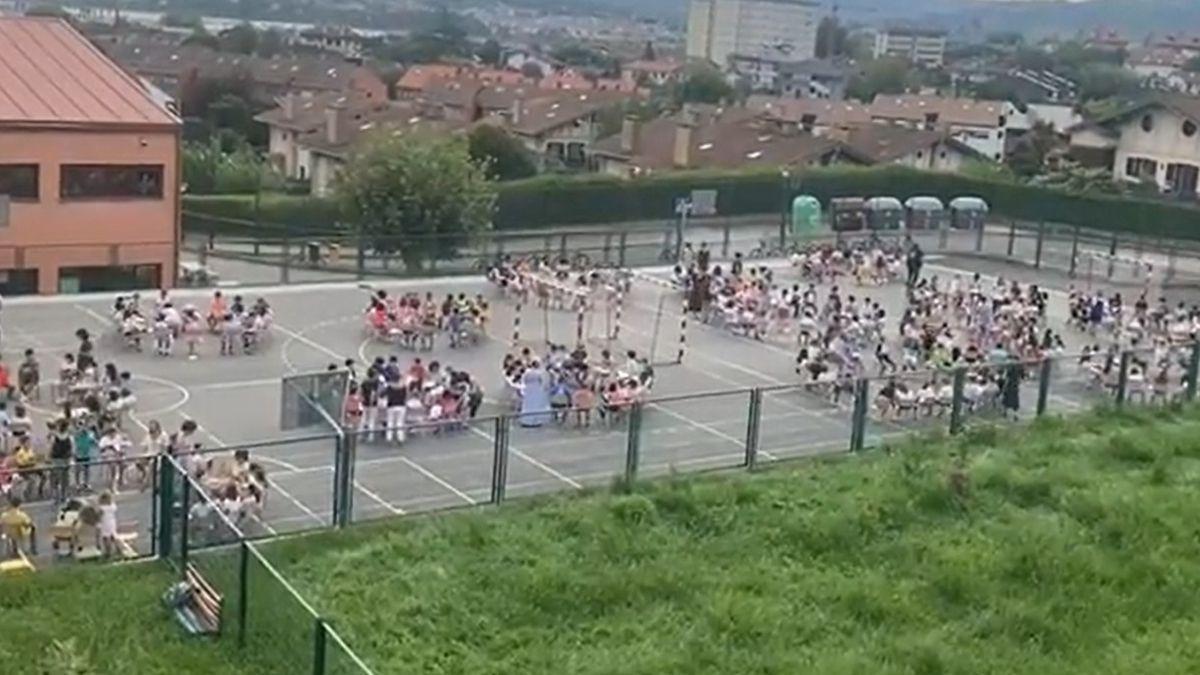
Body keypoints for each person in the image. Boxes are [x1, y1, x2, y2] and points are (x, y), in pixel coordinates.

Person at [518, 360, 551, 428]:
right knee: (535, 405)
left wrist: (524, 388)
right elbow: (542, 381)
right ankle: (535, 421)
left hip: (528, 389)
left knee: (528, 405)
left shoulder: (527, 372)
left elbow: (523, 380)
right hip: (536, 389)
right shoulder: (539, 373)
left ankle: (526, 420)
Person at [97, 491, 118, 558]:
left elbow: (99, 516)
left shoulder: (102, 508)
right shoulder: (113, 506)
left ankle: (108, 551)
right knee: (112, 536)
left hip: (105, 523)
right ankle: (118, 548)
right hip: (112, 522)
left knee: (106, 538)